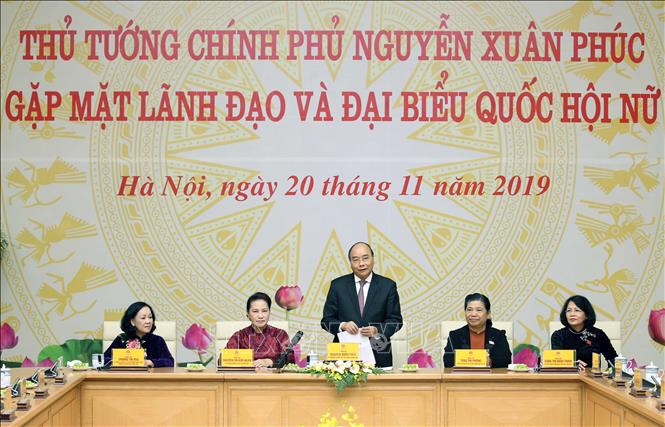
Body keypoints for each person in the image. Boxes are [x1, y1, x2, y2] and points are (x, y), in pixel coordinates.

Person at [321, 242, 403, 368]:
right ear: (350, 263)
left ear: (373, 259)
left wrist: (377, 330)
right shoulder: (337, 285)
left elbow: (396, 321)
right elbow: (326, 320)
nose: (361, 263)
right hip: (343, 358)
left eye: (365, 258)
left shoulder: (387, 286)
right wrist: (343, 325)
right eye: (355, 260)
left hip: (378, 354)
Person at [225, 292, 294, 369]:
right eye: (255, 311)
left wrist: (270, 361)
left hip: (273, 376)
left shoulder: (280, 334)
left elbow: (291, 359)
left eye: (264, 311)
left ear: (269, 313)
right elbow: (223, 360)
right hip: (247, 376)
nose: (260, 316)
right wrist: (248, 362)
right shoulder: (239, 336)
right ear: (248, 314)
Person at [443, 293, 512, 368]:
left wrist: (490, 361)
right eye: (469, 310)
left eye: (479, 310)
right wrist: (479, 360)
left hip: (490, 375)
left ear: (488, 314)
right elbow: (448, 361)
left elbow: (506, 360)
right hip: (464, 375)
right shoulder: (454, 335)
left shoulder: (498, 335)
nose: (473, 314)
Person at [551, 295, 618, 371]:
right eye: (569, 310)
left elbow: (612, 359)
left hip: (592, 376)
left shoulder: (598, 334)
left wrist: (609, 374)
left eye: (577, 310)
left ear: (586, 315)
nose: (572, 314)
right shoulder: (558, 335)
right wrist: (573, 364)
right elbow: (557, 361)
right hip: (568, 376)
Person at [103, 301, 174, 367]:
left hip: (151, 376)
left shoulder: (157, 340)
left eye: (150, 317)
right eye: (143, 318)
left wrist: (150, 362)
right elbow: (104, 359)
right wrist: (123, 361)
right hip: (126, 376)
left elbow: (170, 361)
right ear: (132, 321)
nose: (148, 321)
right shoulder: (122, 339)